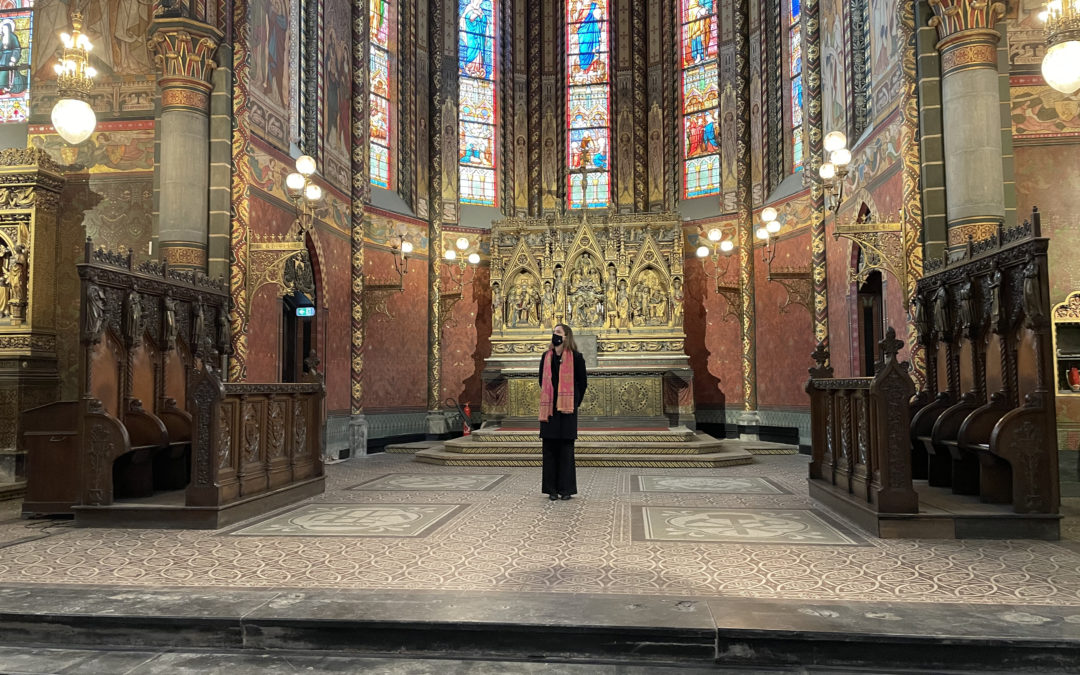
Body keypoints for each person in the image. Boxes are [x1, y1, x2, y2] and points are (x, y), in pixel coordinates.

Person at [538, 323, 587, 501]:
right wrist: (550, 397)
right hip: (549, 410)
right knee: (549, 450)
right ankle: (551, 489)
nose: (555, 335)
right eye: (554, 332)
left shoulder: (577, 357)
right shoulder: (546, 357)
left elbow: (583, 382)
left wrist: (573, 403)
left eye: (558, 332)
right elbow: (541, 381)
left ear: (566, 336)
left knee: (566, 451)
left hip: (567, 410)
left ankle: (566, 489)